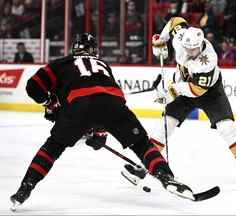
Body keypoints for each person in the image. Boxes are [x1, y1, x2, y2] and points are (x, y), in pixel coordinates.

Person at [10, 33, 194, 210]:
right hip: (114, 105)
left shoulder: (62, 63)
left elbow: (32, 86)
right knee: (141, 144)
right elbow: (103, 102)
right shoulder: (103, 64)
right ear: (93, 50)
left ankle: (25, 188)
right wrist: (99, 132)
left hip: (78, 108)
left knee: (52, 148)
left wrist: (50, 102)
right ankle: (165, 175)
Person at [149, 17, 236, 185]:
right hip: (183, 85)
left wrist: (171, 91)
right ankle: (146, 164)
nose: (190, 52)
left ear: (201, 44)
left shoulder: (208, 60)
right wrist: (161, 41)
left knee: (227, 127)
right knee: (165, 124)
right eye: (188, 48)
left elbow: (196, 90)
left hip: (210, 93)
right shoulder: (179, 38)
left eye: (194, 49)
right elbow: (174, 21)